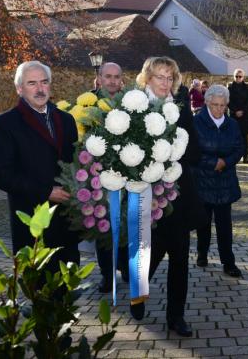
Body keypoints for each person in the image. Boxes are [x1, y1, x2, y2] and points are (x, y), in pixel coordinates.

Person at [130, 56, 203, 337]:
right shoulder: (135, 107)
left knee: (180, 257)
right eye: (160, 77)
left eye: (170, 77)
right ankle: (138, 295)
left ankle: (176, 316)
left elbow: (195, 152)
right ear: (147, 78)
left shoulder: (181, 108)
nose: (165, 82)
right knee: (151, 252)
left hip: (179, 194)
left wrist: (174, 151)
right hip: (146, 194)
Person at [0, 61, 80, 274]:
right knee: (38, 282)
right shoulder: (5, 123)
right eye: (32, 83)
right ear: (19, 88)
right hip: (31, 219)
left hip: (66, 219)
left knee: (68, 278)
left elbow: (74, 162)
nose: (40, 89)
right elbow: (2, 174)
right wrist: (46, 192)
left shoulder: (66, 120)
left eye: (44, 82)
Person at [193, 84, 245, 278]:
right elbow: (192, 151)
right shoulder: (196, 122)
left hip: (225, 181)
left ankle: (228, 262)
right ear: (207, 102)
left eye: (223, 105)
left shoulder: (232, 124)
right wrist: (212, 163)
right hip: (202, 180)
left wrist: (225, 162)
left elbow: (239, 148)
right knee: (203, 222)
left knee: (224, 225)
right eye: (215, 105)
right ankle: (202, 252)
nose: (219, 109)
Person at [91, 62, 129, 293]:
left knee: (126, 222)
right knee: (103, 226)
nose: (112, 81)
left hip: (127, 174)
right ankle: (107, 273)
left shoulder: (131, 103)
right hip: (99, 177)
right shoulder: (88, 103)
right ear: (100, 78)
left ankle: (125, 267)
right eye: (108, 76)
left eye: (117, 76)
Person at [227, 68, 248, 163]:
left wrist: (242, 111)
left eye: (240, 76)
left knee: (244, 137)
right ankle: (234, 157)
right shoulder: (230, 87)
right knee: (234, 137)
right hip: (234, 115)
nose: (238, 78)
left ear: (243, 77)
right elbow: (228, 101)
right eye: (236, 76)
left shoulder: (247, 87)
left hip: (244, 115)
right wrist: (235, 111)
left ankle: (245, 156)